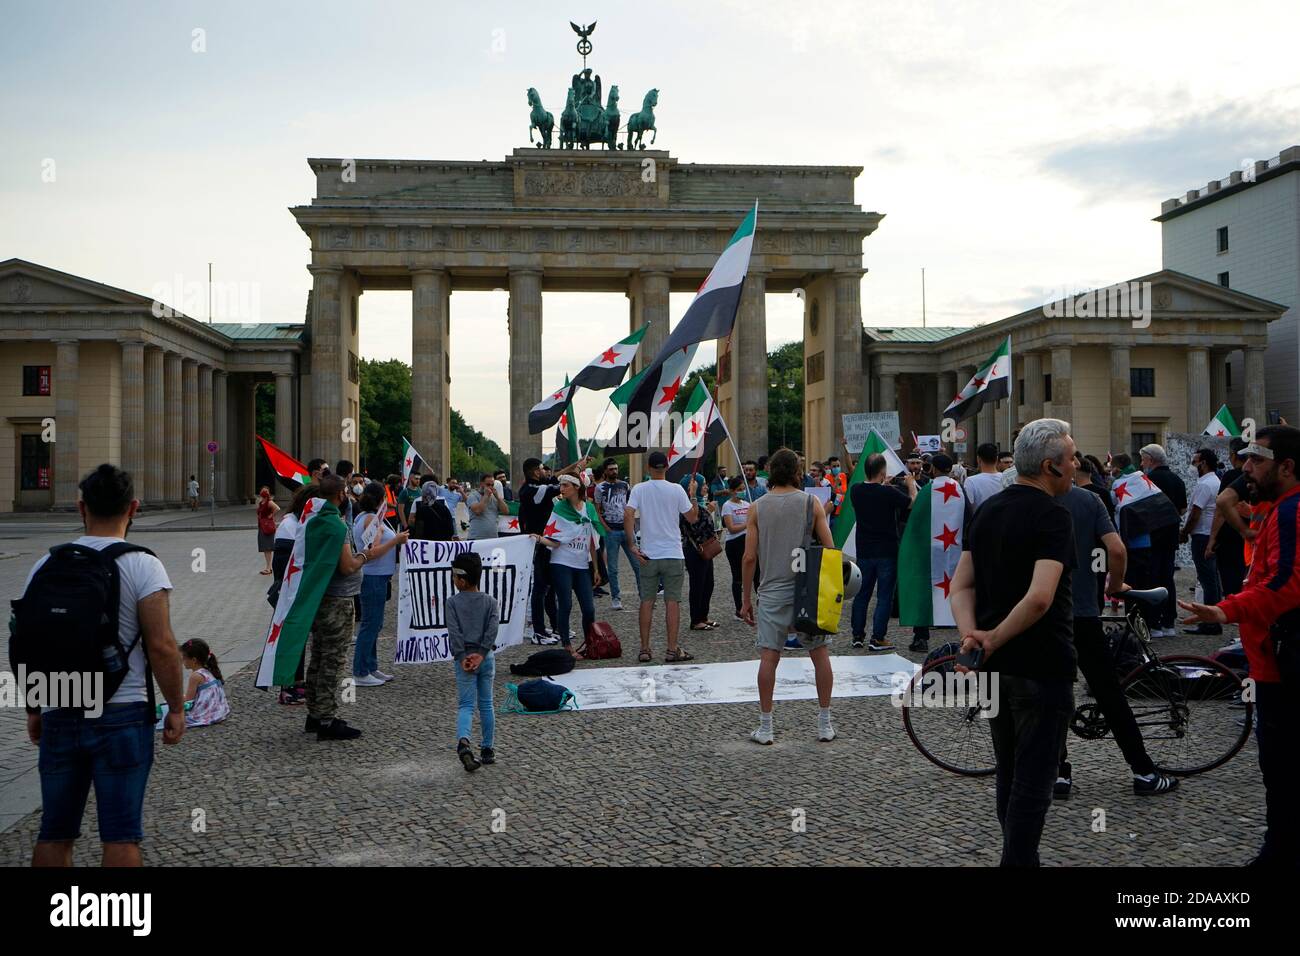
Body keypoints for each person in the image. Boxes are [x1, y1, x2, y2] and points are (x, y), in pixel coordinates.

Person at [21, 463, 185, 866]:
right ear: (134, 507)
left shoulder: (44, 566)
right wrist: (176, 707)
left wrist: (35, 706)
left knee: (55, 833)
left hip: (62, 706)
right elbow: (162, 646)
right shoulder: (143, 565)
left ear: (81, 507)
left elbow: (27, 642)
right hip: (123, 711)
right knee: (121, 836)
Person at [950, 418, 1077, 867]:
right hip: (1041, 665)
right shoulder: (1053, 516)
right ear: (1050, 466)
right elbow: (1041, 598)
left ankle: (1020, 860)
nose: (1077, 465)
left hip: (993, 669)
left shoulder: (988, 510)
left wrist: (974, 637)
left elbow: (959, 587)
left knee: (1008, 770)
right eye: (1072, 458)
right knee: (1034, 782)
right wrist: (994, 637)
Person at [1180, 425, 1300, 867]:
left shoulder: (1291, 513)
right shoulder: (1276, 507)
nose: (1245, 467)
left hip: (1281, 663)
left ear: (1286, 467)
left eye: (1256, 460)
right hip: (1270, 659)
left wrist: (1225, 611)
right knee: (1279, 768)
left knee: (1284, 768)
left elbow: (1286, 586)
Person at [1057, 485, 1179, 798]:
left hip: (1044, 615)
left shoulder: (1022, 498)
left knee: (1053, 694)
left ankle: (1058, 774)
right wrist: (1115, 583)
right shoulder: (1087, 500)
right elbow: (1118, 549)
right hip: (1084, 610)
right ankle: (1143, 771)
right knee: (1109, 693)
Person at [741, 448, 837, 744]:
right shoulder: (812, 503)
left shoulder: (757, 507)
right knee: (819, 655)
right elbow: (830, 550)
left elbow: (748, 558)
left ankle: (766, 726)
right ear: (798, 471)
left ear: (770, 471)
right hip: (806, 590)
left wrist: (745, 598)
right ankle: (824, 723)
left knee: (769, 657)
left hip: (771, 589)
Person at [303, 475, 383, 741]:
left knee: (318, 657)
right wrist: (365, 555)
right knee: (333, 661)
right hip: (338, 601)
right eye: (347, 491)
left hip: (320, 598)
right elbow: (347, 566)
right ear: (340, 494)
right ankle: (327, 720)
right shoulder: (337, 526)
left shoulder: (313, 521)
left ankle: (314, 714)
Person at [626, 450, 699, 663]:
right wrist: (693, 494)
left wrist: (632, 544)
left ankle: (645, 648)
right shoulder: (676, 489)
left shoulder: (640, 489)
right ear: (666, 468)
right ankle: (671, 648)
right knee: (672, 602)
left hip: (648, 553)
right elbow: (692, 518)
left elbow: (628, 513)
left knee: (647, 601)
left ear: (649, 468)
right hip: (673, 553)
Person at [849, 454, 917, 651]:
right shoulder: (889, 494)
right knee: (884, 596)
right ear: (882, 472)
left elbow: (873, 492)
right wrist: (911, 484)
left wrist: (882, 484)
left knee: (862, 594)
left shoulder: (856, 490)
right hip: (887, 550)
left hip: (864, 550)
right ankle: (878, 638)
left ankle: (857, 635)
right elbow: (911, 502)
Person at [520, 456, 586, 643]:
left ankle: (557, 627)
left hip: (547, 542)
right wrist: (576, 479)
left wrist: (577, 464)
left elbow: (557, 478)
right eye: (542, 468)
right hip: (539, 544)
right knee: (540, 589)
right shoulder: (530, 490)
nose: (546, 472)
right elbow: (560, 486)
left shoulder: (539, 485)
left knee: (549, 589)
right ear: (535, 472)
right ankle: (538, 632)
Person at [537, 473, 604, 657]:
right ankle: (567, 645)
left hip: (582, 564)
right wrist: (540, 539)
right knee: (565, 604)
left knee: (589, 608)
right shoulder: (559, 508)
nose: (562, 489)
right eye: (561, 485)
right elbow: (556, 539)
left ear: (576, 487)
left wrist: (596, 568)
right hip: (561, 562)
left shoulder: (588, 508)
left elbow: (592, 539)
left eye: (566, 485)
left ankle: (590, 643)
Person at [352, 482, 409, 686]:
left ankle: (370, 666)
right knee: (370, 624)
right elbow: (371, 552)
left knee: (375, 624)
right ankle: (360, 671)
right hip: (373, 576)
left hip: (379, 576)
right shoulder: (369, 519)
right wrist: (396, 541)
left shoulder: (369, 517)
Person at [446, 551, 499, 772]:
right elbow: (492, 629)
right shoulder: (490, 601)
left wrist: (462, 656)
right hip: (485, 658)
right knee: (486, 703)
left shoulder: (452, 603)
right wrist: (481, 653)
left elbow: (454, 631)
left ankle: (464, 742)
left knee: (466, 705)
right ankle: (487, 749)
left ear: (461, 580)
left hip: (464, 659)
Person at [271, 484, 315, 705]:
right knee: (291, 638)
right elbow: (283, 566)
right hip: (290, 593)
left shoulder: (299, 522)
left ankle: (297, 681)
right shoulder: (289, 525)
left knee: (299, 638)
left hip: (299, 591)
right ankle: (288, 687)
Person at [1140, 444, 1187, 635]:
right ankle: (1169, 622)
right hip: (1170, 536)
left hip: (1152, 536)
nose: (1142, 463)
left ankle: (1154, 622)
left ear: (1151, 460)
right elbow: (1182, 509)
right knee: (1167, 578)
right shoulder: (1177, 480)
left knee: (1152, 578)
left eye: (1143, 459)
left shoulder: (1148, 479)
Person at [1181, 447, 1223, 635]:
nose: (1193, 465)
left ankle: (1210, 621)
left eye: (1195, 461)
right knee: (1211, 579)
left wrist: (1184, 532)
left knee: (1208, 580)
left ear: (1203, 463)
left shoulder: (1205, 484)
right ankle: (1212, 618)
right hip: (1208, 534)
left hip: (1202, 535)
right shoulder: (1215, 481)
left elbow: (1195, 514)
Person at [1207, 438, 1251, 596]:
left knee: (1232, 578)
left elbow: (1221, 509)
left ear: (1233, 456)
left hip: (1231, 536)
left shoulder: (1230, 476)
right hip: (1251, 534)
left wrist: (1212, 539)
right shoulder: (1260, 476)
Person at [595, 458, 639, 611]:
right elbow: (597, 508)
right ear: (605, 471)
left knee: (637, 564)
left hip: (626, 529)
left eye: (616, 468)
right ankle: (616, 597)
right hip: (612, 530)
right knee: (613, 568)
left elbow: (629, 506)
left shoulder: (625, 485)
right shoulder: (600, 488)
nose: (614, 471)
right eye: (611, 469)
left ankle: (644, 596)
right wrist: (605, 527)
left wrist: (631, 524)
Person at [680, 473, 719, 631]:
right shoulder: (687, 505)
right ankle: (695, 619)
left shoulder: (701, 503)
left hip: (705, 548)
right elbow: (694, 523)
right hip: (694, 549)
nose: (706, 487)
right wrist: (708, 511)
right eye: (703, 484)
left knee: (708, 583)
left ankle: (704, 615)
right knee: (697, 584)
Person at [721, 476, 757, 618]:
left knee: (756, 574)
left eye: (743, 489)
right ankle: (738, 608)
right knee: (737, 577)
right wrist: (748, 524)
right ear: (732, 491)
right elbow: (731, 528)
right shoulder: (727, 506)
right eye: (738, 490)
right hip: (734, 543)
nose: (742, 492)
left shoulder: (748, 504)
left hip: (749, 541)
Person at [178, 639, 231, 728]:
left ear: (194, 660)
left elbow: (188, 701)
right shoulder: (208, 670)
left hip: (204, 714)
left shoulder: (195, 676)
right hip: (218, 712)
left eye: (184, 658)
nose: (182, 661)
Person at [466, 473, 508, 540]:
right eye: (488, 485)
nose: (490, 487)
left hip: (492, 538)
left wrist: (498, 497)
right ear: (481, 484)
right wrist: (486, 496)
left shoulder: (494, 497)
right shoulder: (473, 496)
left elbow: (505, 511)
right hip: (476, 538)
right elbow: (478, 511)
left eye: (492, 485)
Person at [964, 443, 1003, 511]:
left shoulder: (971, 481)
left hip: (980, 520)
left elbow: (968, 508)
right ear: (997, 459)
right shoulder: (1007, 478)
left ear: (978, 459)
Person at [255, 487, 279, 574]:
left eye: (263, 495)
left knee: (268, 548)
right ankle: (268, 566)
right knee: (265, 548)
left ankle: (269, 568)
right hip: (262, 526)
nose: (262, 497)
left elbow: (277, 508)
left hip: (267, 527)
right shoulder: (261, 502)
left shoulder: (269, 502)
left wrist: (271, 515)